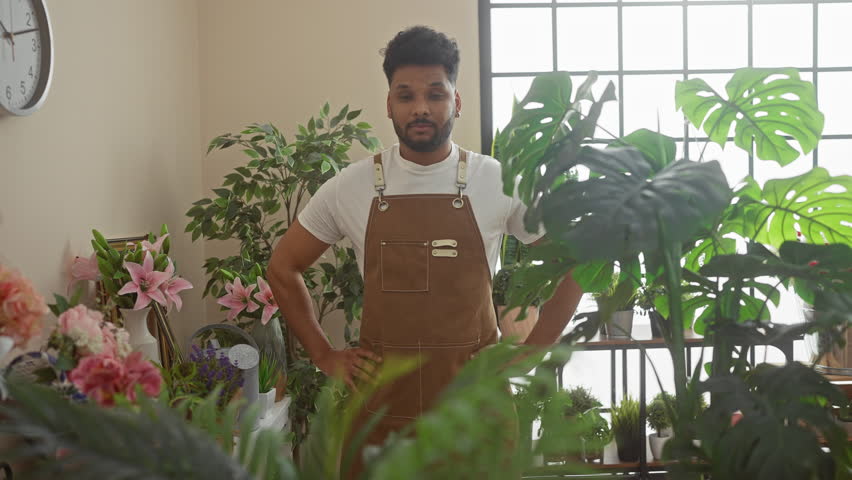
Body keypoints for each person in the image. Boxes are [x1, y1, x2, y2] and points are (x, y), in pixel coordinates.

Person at [267, 25, 583, 479]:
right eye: (405, 94)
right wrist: (323, 354)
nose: (420, 107)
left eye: (435, 94)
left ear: (455, 101)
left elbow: (575, 264)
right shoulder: (350, 187)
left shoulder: (497, 180)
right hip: (380, 411)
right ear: (389, 104)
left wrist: (531, 353)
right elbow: (283, 267)